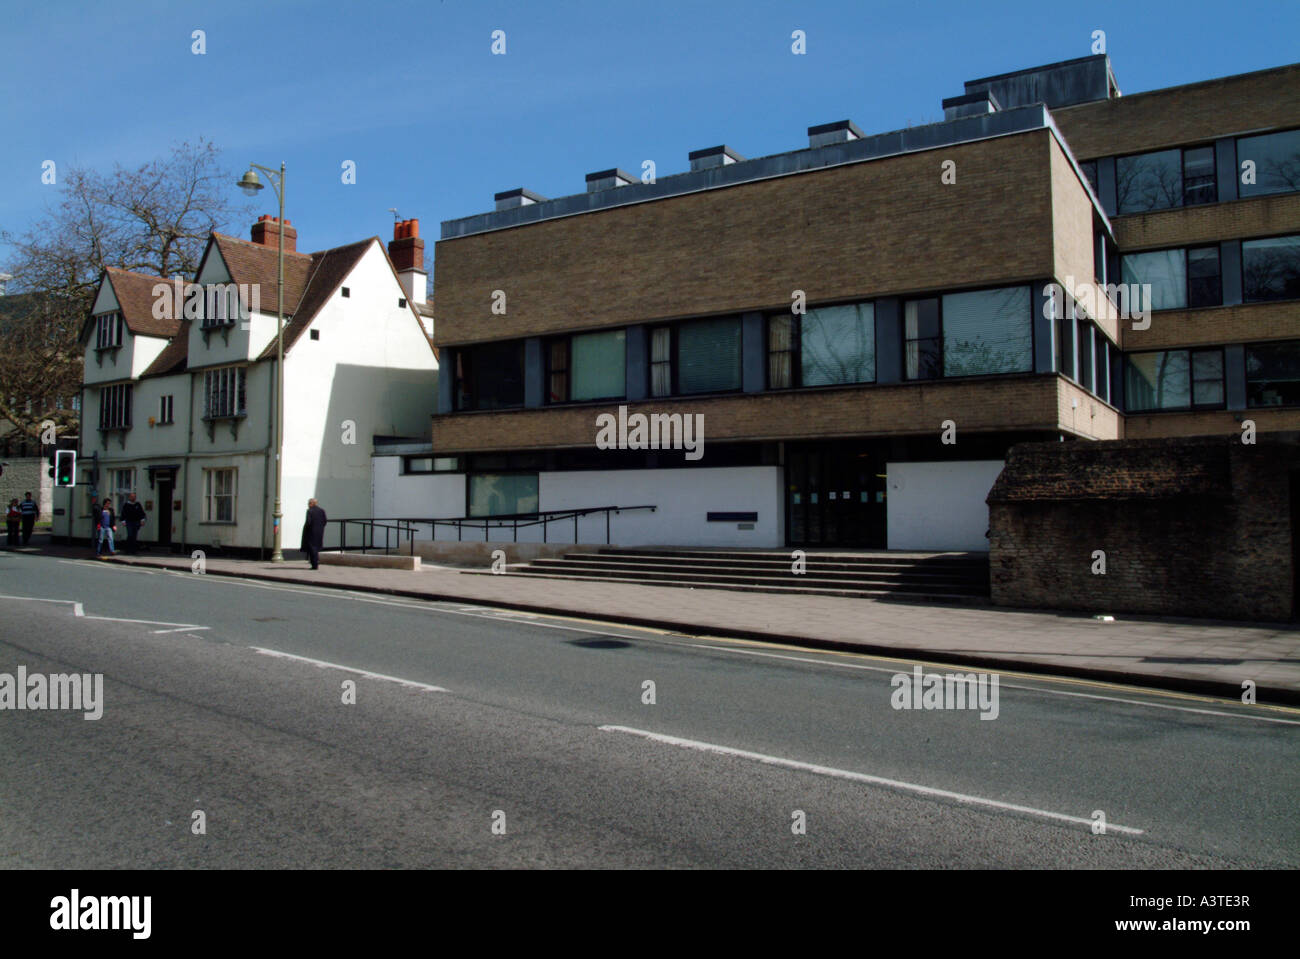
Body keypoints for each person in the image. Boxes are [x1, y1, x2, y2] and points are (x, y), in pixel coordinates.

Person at [301, 497, 327, 570]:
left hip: (311, 532)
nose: (308, 505)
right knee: (316, 548)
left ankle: (314, 564)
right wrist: (320, 528)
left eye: (309, 503)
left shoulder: (310, 511)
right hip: (319, 532)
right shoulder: (322, 511)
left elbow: (308, 522)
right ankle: (315, 563)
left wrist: (306, 529)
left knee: (312, 549)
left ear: (312, 503)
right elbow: (325, 521)